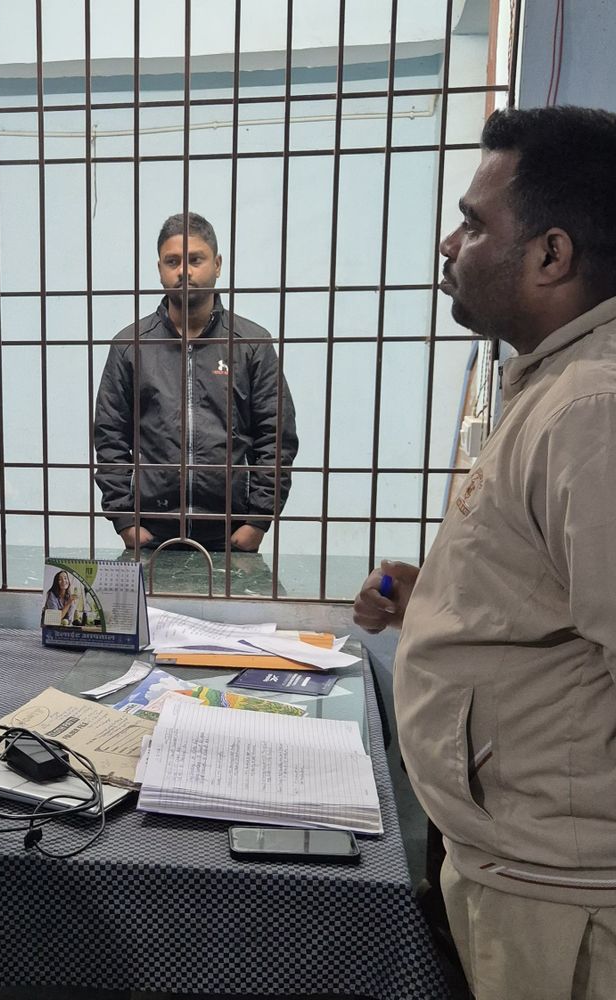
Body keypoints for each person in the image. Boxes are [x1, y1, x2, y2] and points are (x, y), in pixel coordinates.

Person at [353, 106, 616, 1000]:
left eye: (472, 223)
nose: (449, 243)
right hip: (519, 867)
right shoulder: (551, 385)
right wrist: (437, 595)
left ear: (551, 255)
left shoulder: (591, 408)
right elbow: (558, 601)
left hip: (565, 902)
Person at [94, 212, 298, 553]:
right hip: (151, 530)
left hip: (231, 532)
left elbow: (275, 436)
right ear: (160, 269)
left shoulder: (251, 344)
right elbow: (109, 436)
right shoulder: (131, 346)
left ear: (217, 265)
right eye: (172, 261)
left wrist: (258, 521)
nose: (183, 271)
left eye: (195, 260)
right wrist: (125, 520)